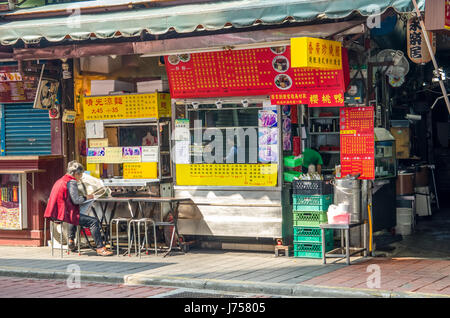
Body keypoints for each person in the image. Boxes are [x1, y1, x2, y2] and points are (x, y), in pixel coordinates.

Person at [44, 161, 113, 256]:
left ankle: (71, 240)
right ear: (76, 173)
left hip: (58, 213)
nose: (80, 178)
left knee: (75, 216)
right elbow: (76, 200)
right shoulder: (71, 182)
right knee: (93, 221)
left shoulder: (60, 180)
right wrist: (87, 197)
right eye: (80, 176)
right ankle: (100, 248)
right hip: (65, 214)